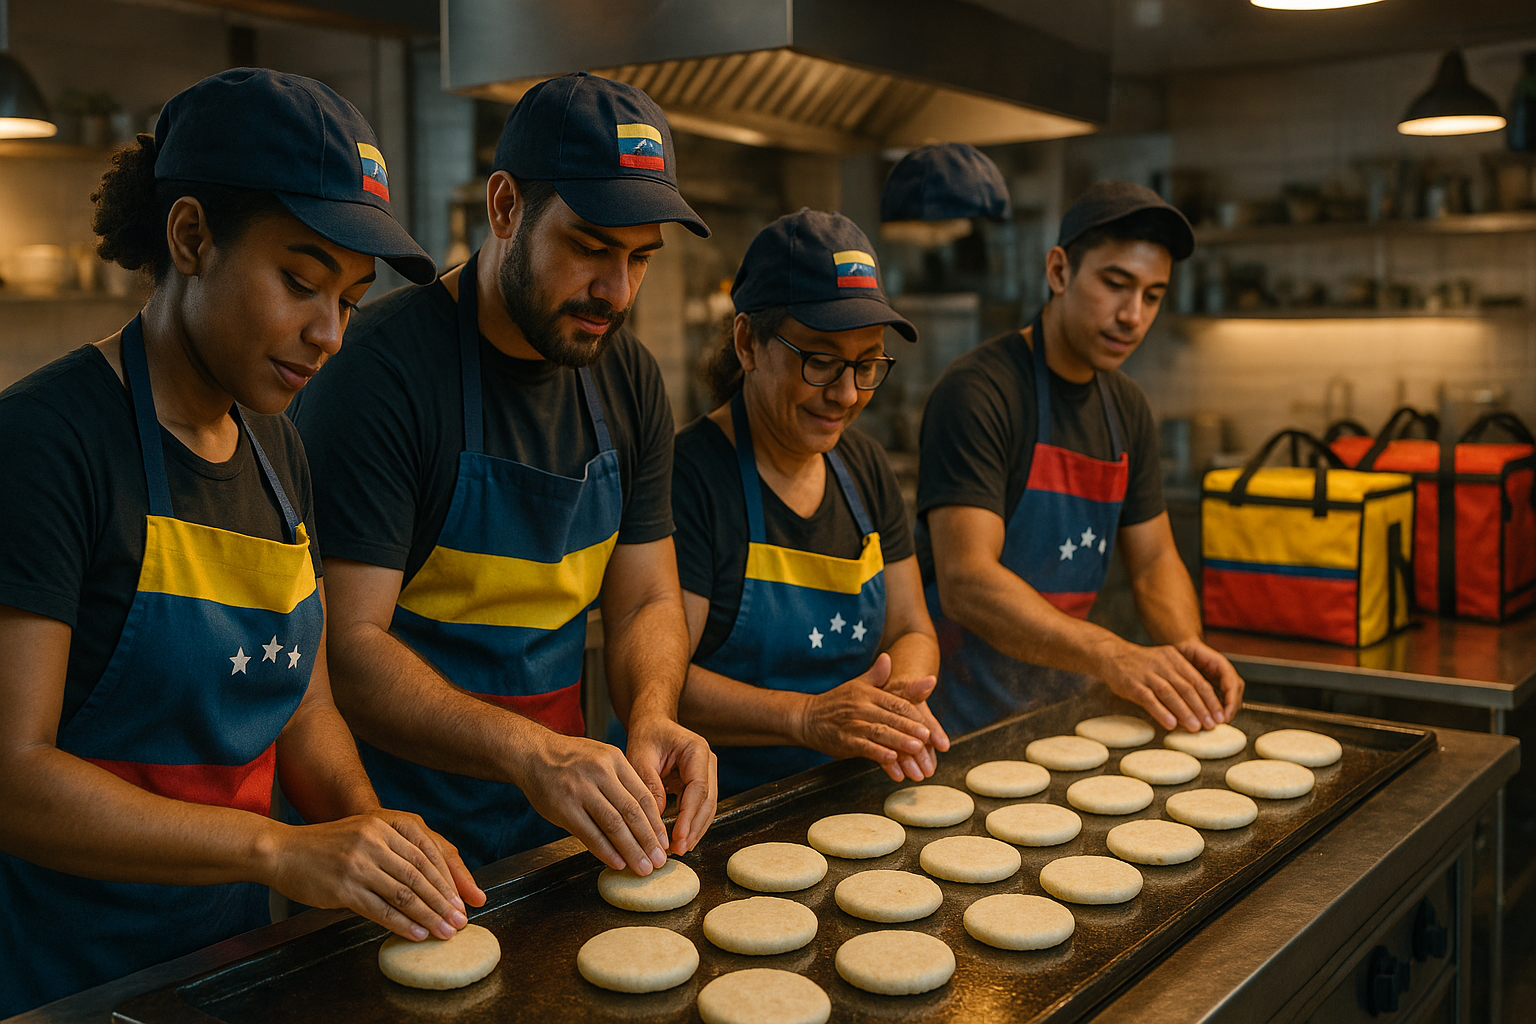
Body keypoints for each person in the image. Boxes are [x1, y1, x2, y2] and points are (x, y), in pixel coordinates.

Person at [0, 69, 481, 1015]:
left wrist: (369, 822)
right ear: (190, 237)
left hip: (225, 967)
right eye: (300, 282)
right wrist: (280, 846)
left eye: (348, 299)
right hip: (66, 983)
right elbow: (13, 775)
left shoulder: (275, 448)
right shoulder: (46, 445)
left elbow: (301, 710)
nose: (330, 333)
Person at [289, 73, 716, 874]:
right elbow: (346, 647)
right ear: (506, 208)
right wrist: (534, 755)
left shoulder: (628, 378)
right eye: (590, 248)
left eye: (640, 260)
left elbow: (650, 598)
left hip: (561, 833)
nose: (615, 292)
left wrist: (652, 715)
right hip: (394, 836)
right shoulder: (381, 374)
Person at [918, 181, 1245, 737]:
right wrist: (1110, 653)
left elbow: (1154, 560)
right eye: (1116, 284)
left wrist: (1184, 647)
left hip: (1063, 719)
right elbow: (966, 579)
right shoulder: (981, 392)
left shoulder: (1127, 409)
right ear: (1059, 271)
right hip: (955, 727)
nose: (1132, 316)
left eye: (1152, 295)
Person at [673, 209, 948, 797]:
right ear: (748, 342)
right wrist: (805, 717)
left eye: (868, 363)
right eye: (820, 360)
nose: (847, 394)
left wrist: (892, 706)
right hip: (711, 812)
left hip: (843, 794)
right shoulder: (690, 476)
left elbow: (912, 627)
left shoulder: (866, 466)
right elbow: (662, 685)